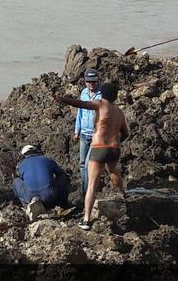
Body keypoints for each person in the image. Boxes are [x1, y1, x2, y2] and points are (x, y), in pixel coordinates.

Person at [55, 82, 128, 231]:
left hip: (99, 148)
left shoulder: (100, 104)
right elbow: (125, 133)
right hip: (114, 148)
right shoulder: (119, 112)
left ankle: (87, 219)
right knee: (113, 171)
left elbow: (82, 104)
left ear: (102, 94)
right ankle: (123, 195)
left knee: (92, 184)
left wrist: (62, 99)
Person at [12, 145, 69, 220]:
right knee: (63, 176)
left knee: (15, 181)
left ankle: (27, 206)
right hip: (50, 196)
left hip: (30, 197)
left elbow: (18, 177)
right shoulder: (47, 160)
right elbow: (61, 173)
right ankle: (62, 204)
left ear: (24, 155)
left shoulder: (22, 164)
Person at [73, 69, 100, 196]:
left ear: (97, 80)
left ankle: (90, 190)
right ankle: (85, 191)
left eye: (93, 81)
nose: (91, 84)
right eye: (88, 81)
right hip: (84, 133)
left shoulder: (102, 95)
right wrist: (76, 131)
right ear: (85, 81)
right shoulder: (83, 93)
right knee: (83, 164)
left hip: (96, 135)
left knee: (91, 164)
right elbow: (80, 113)